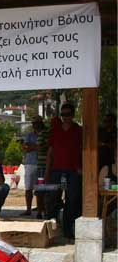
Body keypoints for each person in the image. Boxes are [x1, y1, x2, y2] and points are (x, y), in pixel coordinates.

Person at [45, 102, 82, 240]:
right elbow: (50, 152)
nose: (65, 117)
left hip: (73, 171)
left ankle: (67, 230)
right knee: (53, 200)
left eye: (68, 114)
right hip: (56, 170)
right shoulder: (54, 130)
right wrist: (47, 172)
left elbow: (84, 150)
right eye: (63, 114)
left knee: (72, 201)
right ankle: (50, 230)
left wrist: (81, 168)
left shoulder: (79, 130)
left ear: (73, 115)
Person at [20, 118, 43, 216]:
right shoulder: (29, 135)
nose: (35, 125)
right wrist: (37, 146)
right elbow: (26, 148)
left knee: (40, 188)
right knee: (28, 187)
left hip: (41, 163)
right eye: (33, 123)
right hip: (30, 163)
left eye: (36, 123)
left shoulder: (44, 134)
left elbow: (42, 148)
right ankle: (28, 209)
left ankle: (40, 210)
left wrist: (31, 146)